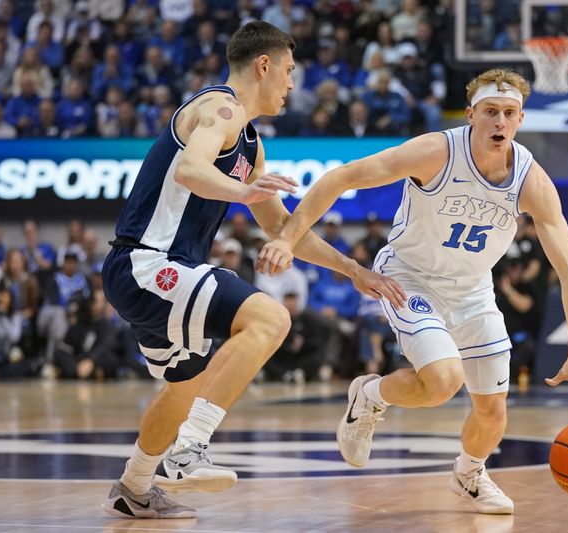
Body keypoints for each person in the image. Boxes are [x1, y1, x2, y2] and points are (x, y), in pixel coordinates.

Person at [257, 68, 568, 515]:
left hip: (473, 290)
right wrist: (287, 239)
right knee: (443, 380)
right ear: (470, 116)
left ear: (520, 120)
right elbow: (340, 178)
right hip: (410, 276)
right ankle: (369, 397)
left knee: (493, 412)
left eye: (508, 113)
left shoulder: (531, 180)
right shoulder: (436, 152)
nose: (499, 122)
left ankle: (469, 474)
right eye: (490, 112)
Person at [100, 21, 404, 519]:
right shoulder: (219, 107)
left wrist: (352, 269)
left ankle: (133, 488)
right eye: (287, 71)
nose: (290, 83)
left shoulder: (250, 143)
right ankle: (188, 451)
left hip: (154, 273)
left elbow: (283, 229)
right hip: (147, 262)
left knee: (186, 386)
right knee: (270, 318)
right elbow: (189, 169)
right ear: (264, 65)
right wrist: (243, 192)